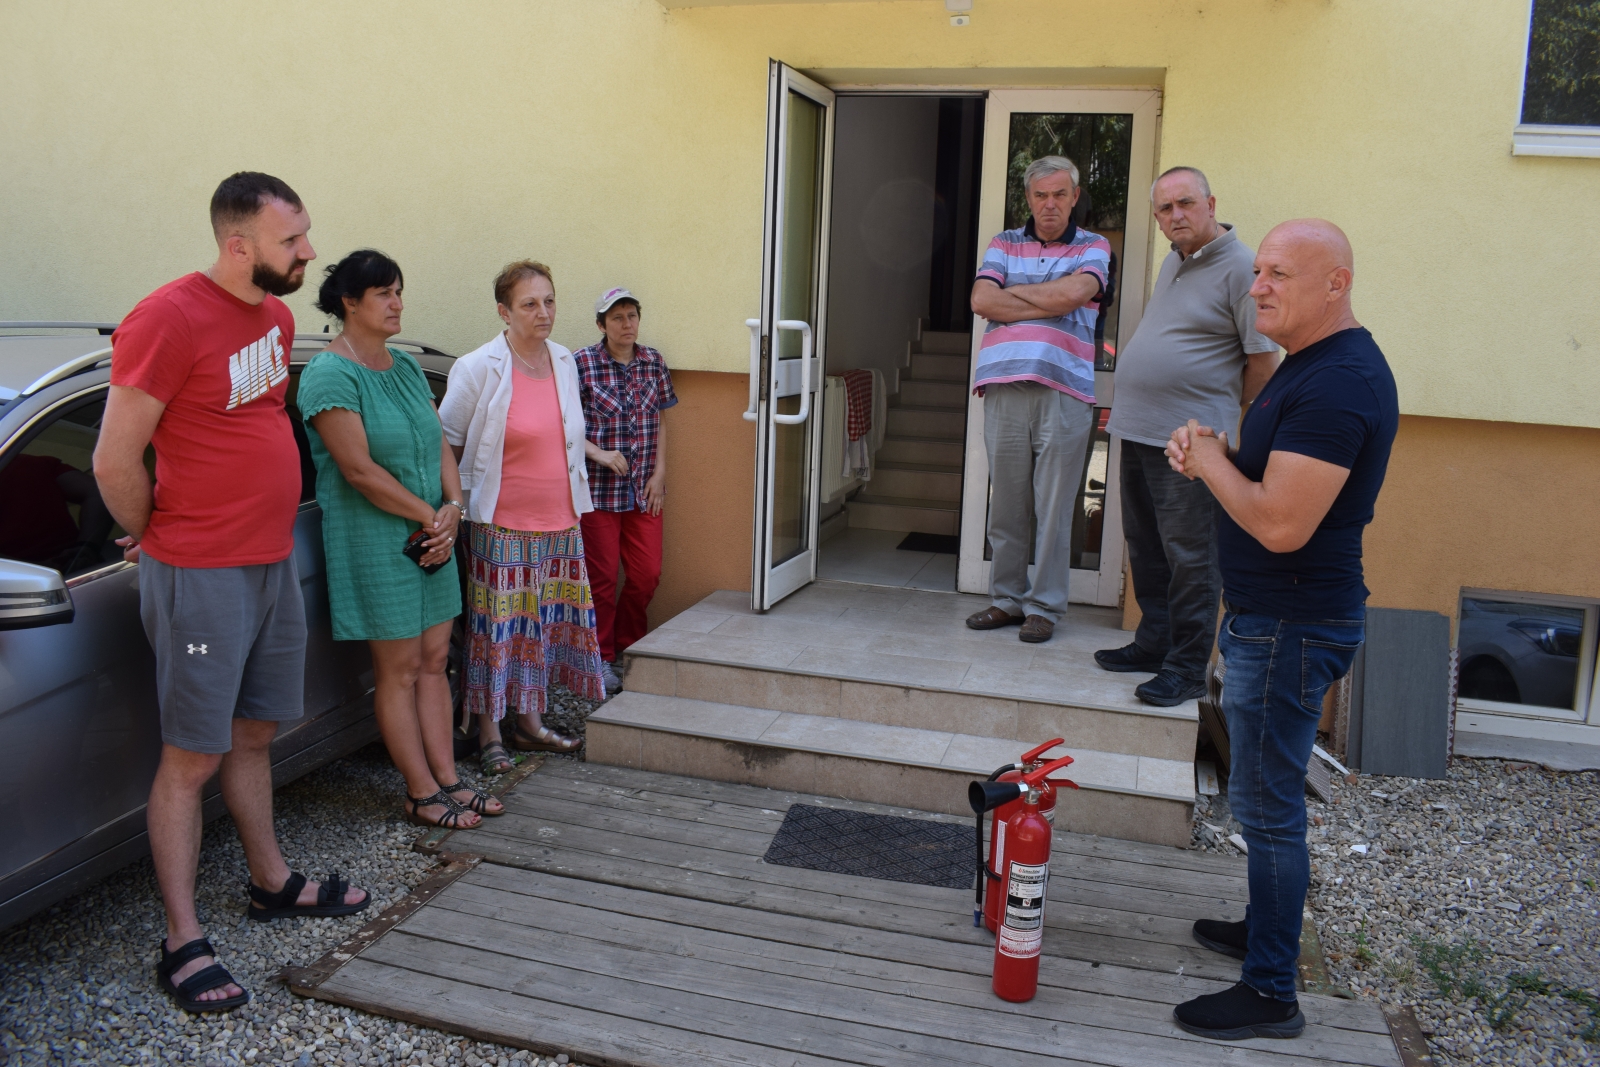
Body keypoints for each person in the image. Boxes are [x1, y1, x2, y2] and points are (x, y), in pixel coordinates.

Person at [92, 172, 369, 1014]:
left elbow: (244, 425)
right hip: (201, 574)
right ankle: (181, 938)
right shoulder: (166, 317)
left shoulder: (277, 317)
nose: (310, 252)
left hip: (268, 562)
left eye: (307, 233)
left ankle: (270, 880)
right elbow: (113, 459)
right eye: (293, 241)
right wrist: (163, 533)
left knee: (255, 733)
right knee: (192, 757)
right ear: (238, 243)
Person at [1165, 219, 1398, 1040]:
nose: (1257, 285)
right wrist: (1222, 451)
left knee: (1268, 809)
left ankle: (1271, 992)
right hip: (1274, 620)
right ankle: (1264, 927)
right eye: (1257, 269)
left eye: (1277, 273)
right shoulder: (1313, 366)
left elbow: (1279, 524)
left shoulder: (1340, 383)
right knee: (1258, 793)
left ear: (1334, 283)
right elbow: (1272, 480)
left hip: (1292, 625)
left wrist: (1213, 463)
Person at [297, 249, 500, 829]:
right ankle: (419, 791)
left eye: (399, 291)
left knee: (436, 660)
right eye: (384, 293)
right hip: (376, 540)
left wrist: (453, 507)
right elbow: (357, 470)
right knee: (401, 669)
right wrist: (429, 516)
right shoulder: (329, 374)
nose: (397, 303)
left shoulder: (405, 367)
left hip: (430, 533)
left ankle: (450, 781)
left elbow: (438, 442)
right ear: (349, 303)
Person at [1098, 167, 1280, 707]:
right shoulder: (1173, 260)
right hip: (1138, 428)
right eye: (1164, 209)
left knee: (1192, 557)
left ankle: (1185, 668)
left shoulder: (1243, 268)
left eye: (1185, 203)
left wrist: (1214, 415)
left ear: (1211, 203)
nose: (1175, 216)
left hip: (1191, 443)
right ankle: (1155, 643)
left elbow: (1263, 363)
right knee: (1148, 548)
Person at [439, 261, 609, 777]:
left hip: (560, 522)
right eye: (530, 303)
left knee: (541, 629)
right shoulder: (478, 367)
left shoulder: (563, 360)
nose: (544, 312)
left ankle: (530, 725)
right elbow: (445, 442)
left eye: (550, 301)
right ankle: (490, 731)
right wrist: (454, 507)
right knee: (499, 631)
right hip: (501, 525)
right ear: (503, 311)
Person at [964, 155, 1111, 644]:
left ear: (1073, 198)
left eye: (1059, 195)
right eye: (1040, 195)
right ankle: (1006, 600)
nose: (1049, 204)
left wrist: (1020, 294)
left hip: (1064, 389)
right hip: (1004, 385)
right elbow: (983, 300)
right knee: (1006, 502)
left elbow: (1079, 293)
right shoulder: (1004, 241)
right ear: (1028, 198)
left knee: (1054, 506)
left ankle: (1043, 606)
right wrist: (1052, 296)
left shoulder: (1095, 244)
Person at [575, 288, 678, 695]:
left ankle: (629, 646)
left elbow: (661, 421)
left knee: (646, 574)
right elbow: (563, 425)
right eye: (617, 318)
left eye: (632, 315)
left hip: (644, 491)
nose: (627, 324)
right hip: (599, 494)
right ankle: (600, 659)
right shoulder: (581, 364)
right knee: (600, 580)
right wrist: (598, 454)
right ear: (602, 325)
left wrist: (660, 473)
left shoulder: (653, 361)